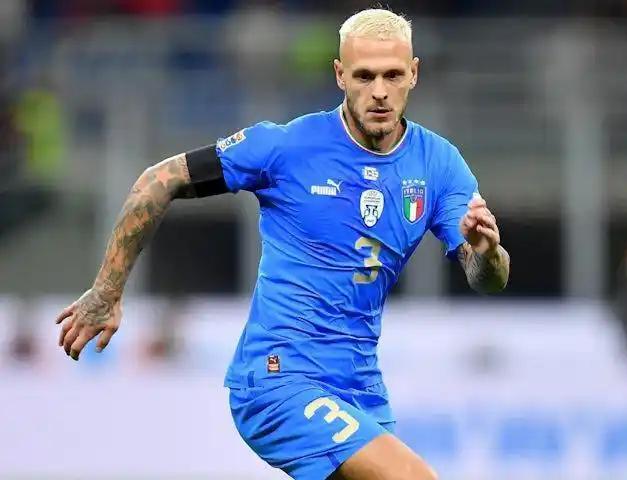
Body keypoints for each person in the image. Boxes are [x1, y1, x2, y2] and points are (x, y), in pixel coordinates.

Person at [55, 8, 510, 480]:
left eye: (392, 75)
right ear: (340, 75)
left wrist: (486, 252)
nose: (379, 91)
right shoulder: (287, 147)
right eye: (364, 76)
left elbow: (487, 279)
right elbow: (158, 180)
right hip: (279, 379)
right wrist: (106, 291)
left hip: (360, 388)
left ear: (413, 73)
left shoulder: (439, 164)